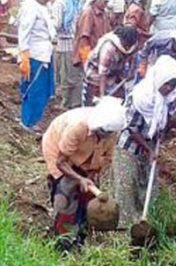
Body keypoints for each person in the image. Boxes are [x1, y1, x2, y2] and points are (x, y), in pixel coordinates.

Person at [42, 96, 127, 253]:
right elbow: (61, 162)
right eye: (102, 133)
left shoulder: (110, 132)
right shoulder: (77, 127)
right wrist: (79, 178)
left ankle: (80, 234)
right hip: (59, 152)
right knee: (66, 195)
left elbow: (105, 158)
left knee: (86, 196)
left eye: (108, 134)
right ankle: (63, 242)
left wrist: (90, 177)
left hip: (85, 158)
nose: (105, 137)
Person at [113, 55, 176, 227]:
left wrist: (161, 135)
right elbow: (132, 128)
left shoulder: (169, 97)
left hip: (150, 142)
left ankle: (145, 220)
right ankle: (125, 225)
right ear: (158, 78)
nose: (169, 88)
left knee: (147, 182)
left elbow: (166, 120)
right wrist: (149, 150)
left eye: (173, 85)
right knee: (128, 185)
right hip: (129, 145)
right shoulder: (139, 97)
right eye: (167, 84)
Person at [18, 0, 57, 132]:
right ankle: (28, 121)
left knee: (44, 90)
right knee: (34, 89)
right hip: (35, 55)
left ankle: (34, 119)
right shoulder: (30, 7)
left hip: (45, 53)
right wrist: (24, 55)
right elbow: (24, 32)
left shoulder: (42, 7)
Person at [48, 0, 83, 110]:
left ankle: (67, 103)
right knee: (75, 73)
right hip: (73, 40)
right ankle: (76, 101)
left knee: (66, 74)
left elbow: (56, 24)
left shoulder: (59, 3)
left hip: (65, 42)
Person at [82, 25, 138, 106]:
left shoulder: (132, 44)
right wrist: (102, 96)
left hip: (114, 75)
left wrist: (131, 70)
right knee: (94, 106)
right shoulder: (108, 48)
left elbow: (132, 56)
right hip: (95, 77)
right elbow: (102, 73)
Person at [73, 0, 113, 69]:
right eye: (104, 2)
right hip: (90, 54)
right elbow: (84, 38)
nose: (105, 5)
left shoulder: (104, 14)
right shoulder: (88, 13)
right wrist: (85, 59)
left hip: (100, 53)